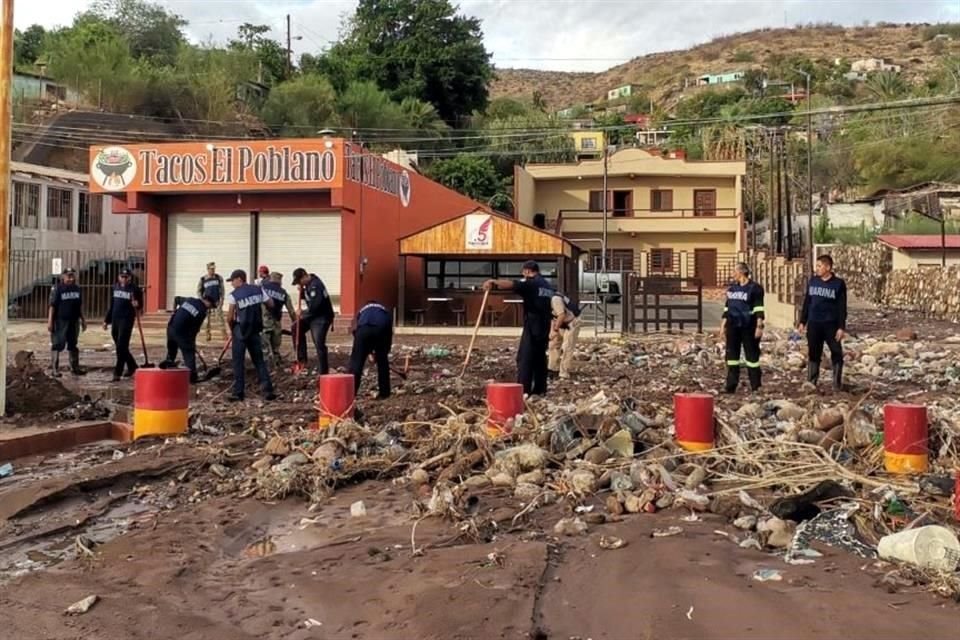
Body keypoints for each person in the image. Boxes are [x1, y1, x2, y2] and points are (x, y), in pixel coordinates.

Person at [483, 260, 555, 396]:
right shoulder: (547, 286)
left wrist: (494, 282)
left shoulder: (531, 284)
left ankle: (523, 390)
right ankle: (540, 389)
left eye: (523, 272)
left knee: (525, 358)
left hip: (533, 324)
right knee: (539, 357)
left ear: (527, 271)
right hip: (545, 324)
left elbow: (513, 284)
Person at [799, 254, 848, 391]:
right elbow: (807, 302)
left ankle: (837, 384)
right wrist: (803, 321)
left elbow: (842, 307)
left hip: (831, 324)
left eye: (820, 266)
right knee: (814, 352)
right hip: (814, 323)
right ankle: (811, 382)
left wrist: (841, 327)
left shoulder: (838, 284)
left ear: (828, 267)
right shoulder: (813, 281)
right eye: (817, 266)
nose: (817, 268)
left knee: (836, 351)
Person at [225, 269, 276, 402]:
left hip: (240, 330)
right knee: (259, 361)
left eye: (233, 281)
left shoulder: (234, 295)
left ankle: (238, 393)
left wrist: (231, 329)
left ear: (239, 279)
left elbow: (230, 317)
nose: (232, 284)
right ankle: (267, 391)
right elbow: (271, 303)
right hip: (255, 330)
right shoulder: (258, 290)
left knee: (238, 362)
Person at [720, 262, 765, 394]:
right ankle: (731, 386)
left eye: (734, 271)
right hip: (733, 326)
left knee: (752, 357)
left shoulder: (755, 288)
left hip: (749, 326)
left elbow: (759, 308)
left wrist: (759, 325)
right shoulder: (732, 289)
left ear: (741, 272)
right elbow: (727, 308)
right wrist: (723, 325)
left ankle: (756, 386)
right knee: (732, 357)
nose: (732, 274)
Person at [159, 294, 215, 383]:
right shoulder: (202, 311)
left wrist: (174, 311)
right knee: (189, 353)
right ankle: (191, 376)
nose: (209, 309)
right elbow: (195, 329)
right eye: (211, 306)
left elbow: (176, 299)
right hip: (181, 332)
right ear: (207, 302)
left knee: (172, 349)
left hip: (171, 327)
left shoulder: (189, 299)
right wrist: (192, 343)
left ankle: (169, 363)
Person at [103, 268, 143, 382]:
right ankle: (132, 366)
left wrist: (137, 305)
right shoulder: (115, 287)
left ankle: (117, 373)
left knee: (121, 346)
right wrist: (106, 320)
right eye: (122, 277)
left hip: (127, 320)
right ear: (118, 277)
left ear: (130, 277)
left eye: (126, 277)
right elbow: (111, 305)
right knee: (120, 346)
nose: (124, 279)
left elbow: (140, 306)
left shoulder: (135, 289)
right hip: (116, 319)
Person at [292, 267, 335, 373]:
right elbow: (309, 298)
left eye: (299, 281)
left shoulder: (316, 285)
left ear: (304, 275)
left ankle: (323, 371)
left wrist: (302, 312)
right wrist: (302, 293)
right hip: (313, 316)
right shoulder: (308, 284)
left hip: (321, 317)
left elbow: (315, 306)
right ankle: (302, 360)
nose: (300, 283)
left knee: (319, 342)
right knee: (295, 328)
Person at [348, 300, 393, 399]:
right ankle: (384, 393)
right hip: (381, 329)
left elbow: (355, 330)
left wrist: (366, 351)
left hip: (363, 330)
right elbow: (389, 332)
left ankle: (351, 393)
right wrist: (384, 351)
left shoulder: (362, 310)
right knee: (383, 364)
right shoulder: (385, 311)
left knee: (356, 362)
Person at [48, 267, 87, 377]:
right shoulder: (58, 289)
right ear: (63, 277)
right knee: (58, 343)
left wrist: (83, 320)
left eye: (72, 276)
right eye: (68, 276)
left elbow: (79, 306)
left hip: (73, 321)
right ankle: (55, 369)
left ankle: (74, 367)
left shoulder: (77, 289)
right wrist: (50, 321)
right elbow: (52, 306)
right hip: (60, 321)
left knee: (73, 344)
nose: (70, 278)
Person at [261, 271, 297, 366]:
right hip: (276, 322)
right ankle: (277, 365)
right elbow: (291, 311)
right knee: (275, 347)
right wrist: (296, 323)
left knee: (264, 347)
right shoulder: (283, 293)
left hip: (264, 322)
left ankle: (266, 368)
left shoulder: (263, 289)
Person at [548, 291, 582, 380]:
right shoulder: (548, 300)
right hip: (560, 322)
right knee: (553, 344)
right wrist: (552, 331)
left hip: (571, 322)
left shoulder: (555, 299)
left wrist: (555, 329)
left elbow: (561, 315)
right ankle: (553, 368)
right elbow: (552, 317)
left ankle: (564, 372)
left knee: (567, 346)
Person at [197, 262, 227, 342]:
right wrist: (203, 301)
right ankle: (208, 336)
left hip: (216, 302)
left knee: (220, 320)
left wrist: (222, 300)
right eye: (211, 269)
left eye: (214, 269)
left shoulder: (218, 278)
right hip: (207, 303)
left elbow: (222, 290)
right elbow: (199, 292)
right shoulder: (203, 279)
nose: (212, 270)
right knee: (206, 321)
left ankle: (224, 336)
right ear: (208, 269)